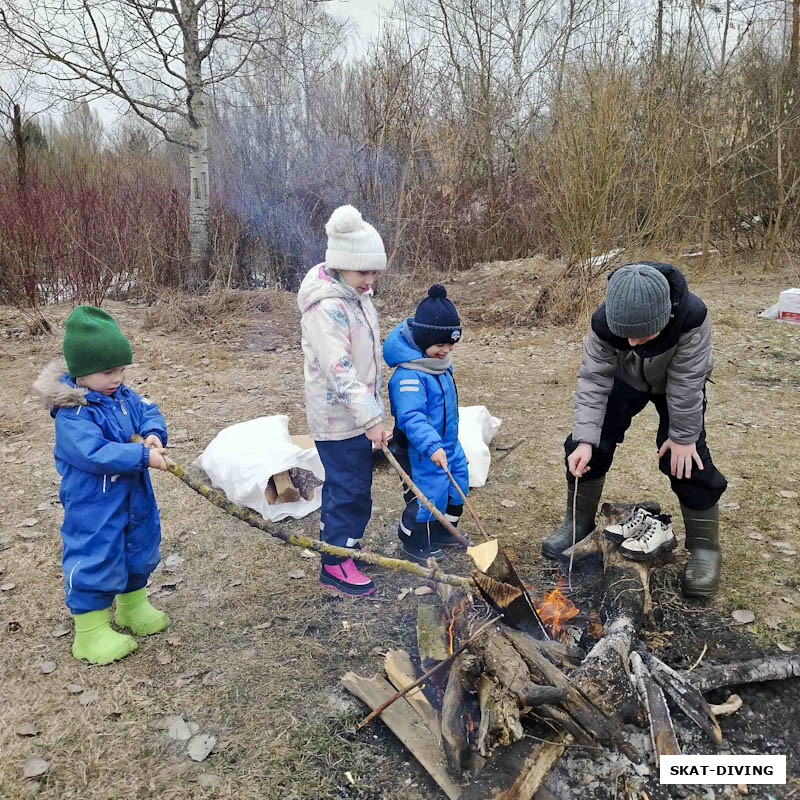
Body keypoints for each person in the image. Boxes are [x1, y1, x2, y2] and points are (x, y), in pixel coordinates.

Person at [541, 262, 727, 597]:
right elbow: (594, 380)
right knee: (586, 445)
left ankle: (705, 549)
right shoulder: (604, 322)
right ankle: (577, 524)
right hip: (625, 379)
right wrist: (585, 440)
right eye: (627, 334)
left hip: (676, 384)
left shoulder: (691, 317)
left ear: (665, 318)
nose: (634, 341)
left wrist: (683, 438)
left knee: (688, 459)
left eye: (644, 334)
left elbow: (687, 383)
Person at [33, 305, 170, 665]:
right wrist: (141, 457)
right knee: (96, 554)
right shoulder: (73, 413)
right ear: (81, 372)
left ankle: (132, 606)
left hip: (133, 495)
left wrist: (154, 434)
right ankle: (90, 632)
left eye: (122, 370)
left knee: (138, 546)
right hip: (94, 503)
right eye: (109, 371)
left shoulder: (121, 395)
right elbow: (94, 452)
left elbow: (149, 409)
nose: (118, 378)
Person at [298, 204, 388, 597]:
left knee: (355, 487)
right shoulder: (327, 307)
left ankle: (344, 546)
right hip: (337, 418)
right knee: (348, 488)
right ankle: (334, 565)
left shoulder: (354, 296)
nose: (370, 281)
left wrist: (371, 409)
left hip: (356, 413)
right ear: (341, 266)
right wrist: (371, 416)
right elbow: (340, 369)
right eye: (363, 272)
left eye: (373, 273)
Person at [383, 284, 469, 566]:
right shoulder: (409, 375)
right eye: (439, 345)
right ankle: (414, 540)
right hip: (420, 450)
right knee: (426, 496)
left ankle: (444, 531)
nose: (445, 351)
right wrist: (432, 445)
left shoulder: (439, 365)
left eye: (450, 345)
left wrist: (447, 441)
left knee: (458, 485)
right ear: (421, 340)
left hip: (447, 442)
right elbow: (412, 418)